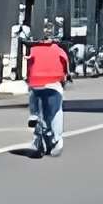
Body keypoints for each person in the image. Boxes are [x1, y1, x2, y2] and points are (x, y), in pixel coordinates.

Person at [26, 26, 70, 156]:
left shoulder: (32, 50)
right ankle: (57, 139)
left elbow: (28, 68)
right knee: (56, 111)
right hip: (54, 84)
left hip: (36, 83)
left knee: (34, 95)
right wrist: (66, 78)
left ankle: (34, 115)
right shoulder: (60, 51)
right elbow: (66, 69)